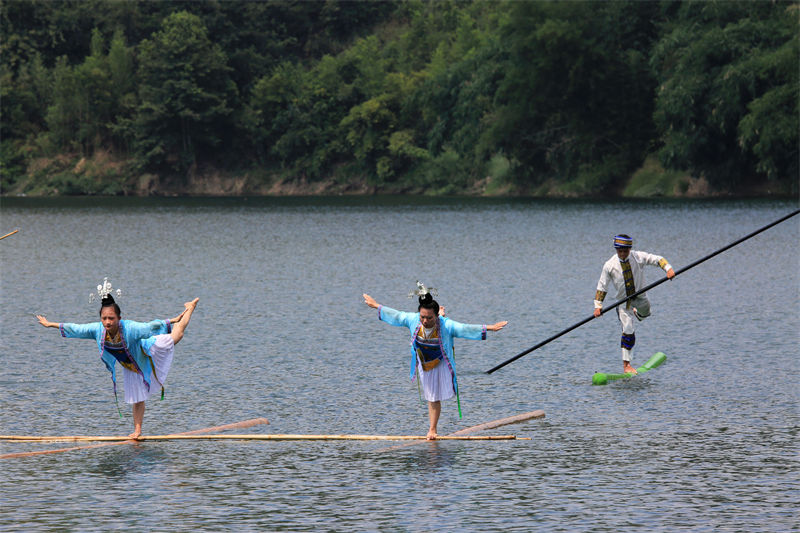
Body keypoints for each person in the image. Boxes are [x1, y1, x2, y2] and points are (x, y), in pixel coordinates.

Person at [36, 291, 199, 439]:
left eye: (111, 318)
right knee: (137, 398)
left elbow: (149, 327)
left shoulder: (130, 328)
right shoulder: (97, 330)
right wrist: (51, 324)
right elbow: (76, 328)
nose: (107, 322)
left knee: (177, 334)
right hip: (130, 365)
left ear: (119, 318)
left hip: (146, 351)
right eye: (104, 318)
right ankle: (137, 431)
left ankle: (190, 308)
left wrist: (172, 320)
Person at [363, 283, 507, 440]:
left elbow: (465, 328)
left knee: (434, 396)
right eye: (422, 317)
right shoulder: (413, 320)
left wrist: (491, 328)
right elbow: (397, 315)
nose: (425, 321)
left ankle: (432, 429)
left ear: (435, 316)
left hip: (441, 359)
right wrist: (376, 305)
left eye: (429, 318)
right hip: (424, 360)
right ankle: (432, 429)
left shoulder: (447, 326)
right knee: (431, 396)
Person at [593, 234, 674, 374]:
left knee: (646, 313)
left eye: (626, 250)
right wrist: (598, 306)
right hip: (623, 304)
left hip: (640, 297)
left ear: (630, 249)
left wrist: (668, 269)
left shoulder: (637, 257)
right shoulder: (609, 265)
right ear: (616, 249)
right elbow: (602, 286)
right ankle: (627, 366)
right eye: (620, 251)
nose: (623, 254)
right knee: (628, 329)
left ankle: (639, 314)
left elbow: (656, 259)